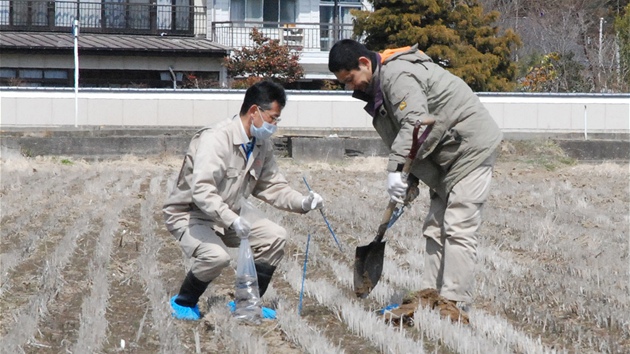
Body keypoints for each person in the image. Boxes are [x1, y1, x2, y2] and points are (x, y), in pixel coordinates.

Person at [328, 39, 502, 322]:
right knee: (434, 228)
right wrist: (408, 181)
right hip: (443, 157)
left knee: (458, 226)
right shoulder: (379, 90)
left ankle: (454, 304)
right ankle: (430, 295)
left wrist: (395, 169)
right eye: (344, 83)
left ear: (364, 63)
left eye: (350, 79)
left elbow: (417, 123)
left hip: (469, 149)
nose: (351, 86)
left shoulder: (397, 76)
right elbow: (411, 138)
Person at [163, 80, 324, 321]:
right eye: (273, 118)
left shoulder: (260, 143)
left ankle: (248, 302)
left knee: (274, 236)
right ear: (254, 111)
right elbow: (203, 191)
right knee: (216, 257)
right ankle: (183, 301)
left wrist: (303, 202)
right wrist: (232, 219)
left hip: (230, 213)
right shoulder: (215, 139)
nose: (274, 125)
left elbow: (271, 185)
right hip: (191, 214)